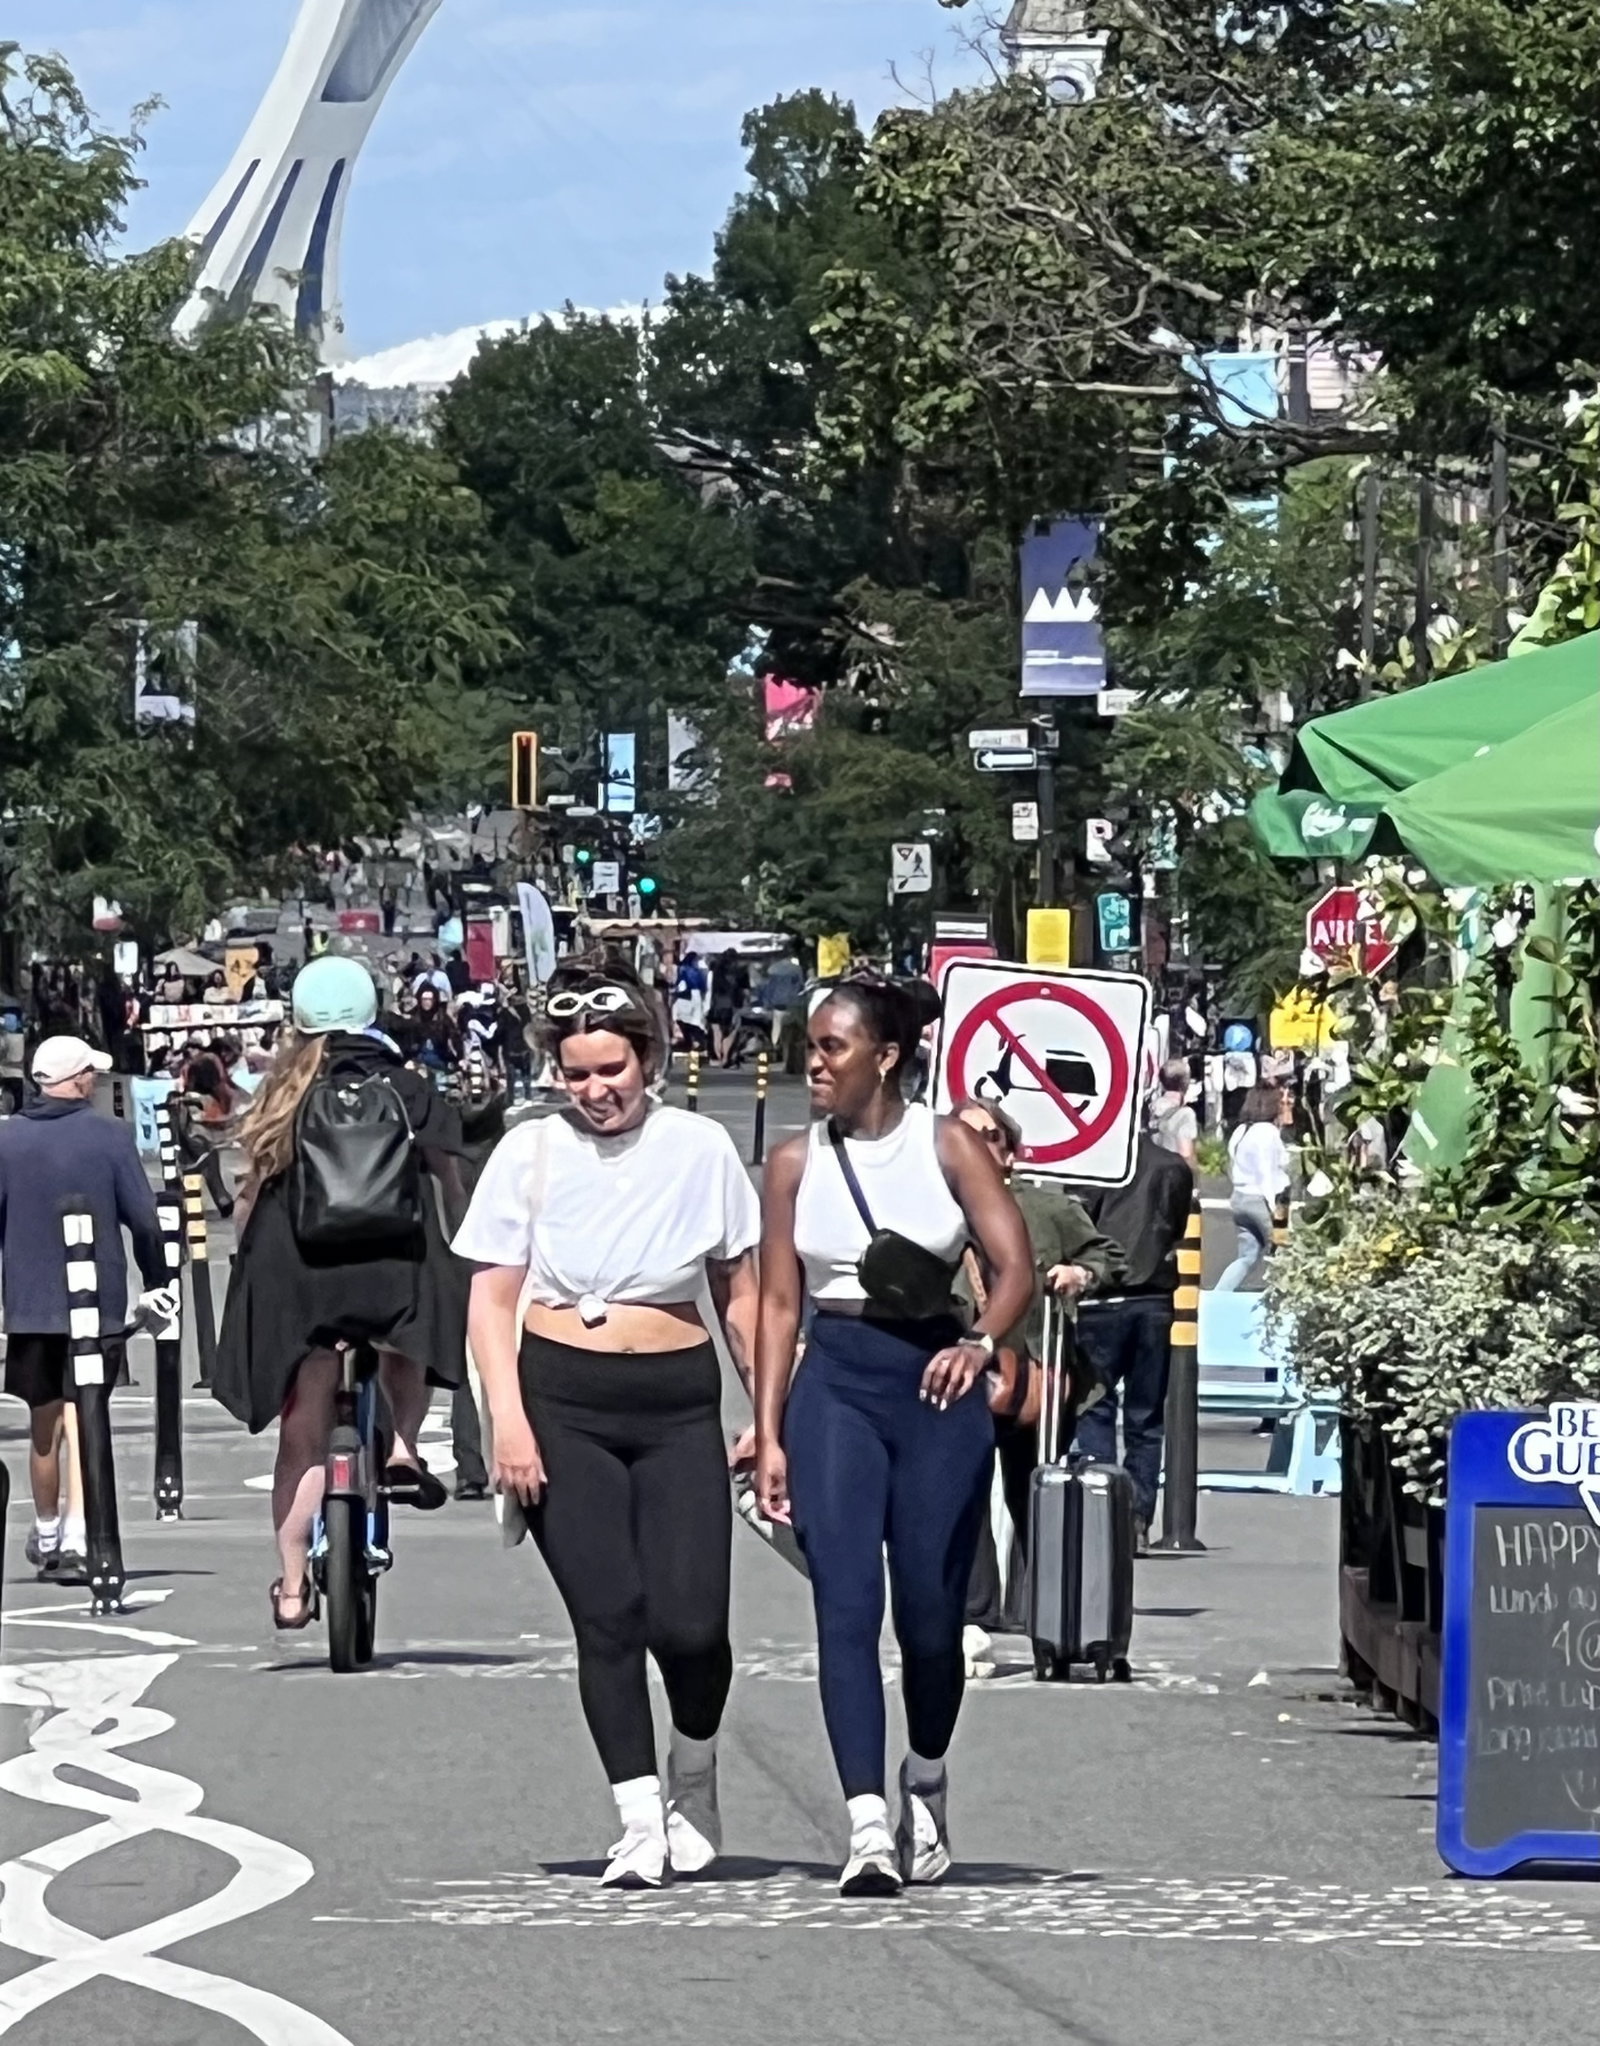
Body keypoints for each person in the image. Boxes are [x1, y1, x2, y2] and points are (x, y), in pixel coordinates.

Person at [456, 961, 760, 1890]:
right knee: (610, 1616)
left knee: (693, 1624)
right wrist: (507, 1421)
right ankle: (637, 1817)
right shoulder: (529, 1152)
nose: (595, 1090)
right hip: (560, 1396)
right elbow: (489, 1296)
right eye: (577, 1073)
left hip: (674, 1399)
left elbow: (738, 1293)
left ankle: (694, 1771)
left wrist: (772, 1417)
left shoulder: (700, 1148)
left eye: (611, 1070)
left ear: (651, 1060)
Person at [754, 980, 1034, 1896]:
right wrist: (767, 1430)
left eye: (834, 1047)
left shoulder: (947, 1144)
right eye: (811, 1047)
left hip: (934, 1385)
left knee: (929, 1619)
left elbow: (1013, 1268)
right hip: (835, 1380)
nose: (816, 1063)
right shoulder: (794, 1163)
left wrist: (979, 1341)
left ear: (885, 1056)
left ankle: (926, 1774)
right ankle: (866, 1826)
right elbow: (780, 1305)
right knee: (843, 1604)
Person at [213, 956, 470, 1630]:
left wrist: (250, 1256)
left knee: (301, 1435)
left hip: (300, 1275)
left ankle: (293, 1588)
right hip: (392, 1266)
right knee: (407, 1332)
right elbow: (449, 1177)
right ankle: (404, 1446)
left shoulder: (281, 1091)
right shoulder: (408, 1087)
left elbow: (248, 1195)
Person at [951, 1099, 1124, 1653]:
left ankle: (1038, 1608)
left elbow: (1109, 1256)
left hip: (1035, 1371)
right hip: (959, 1376)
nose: (980, 1147)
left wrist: (1080, 1272)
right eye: (966, 1137)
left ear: (1011, 1152)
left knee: (1034, 1489)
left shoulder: (1045, 1207)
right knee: (963, 1491)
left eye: (992, 1138)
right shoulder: (936, 1208)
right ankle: (976, 1607)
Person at [0, 1036, 172, 1576]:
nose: (95, 1082)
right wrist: (159, 1278)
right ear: (75, 1082)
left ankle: (47, 1526)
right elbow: (144, 1221)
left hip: (28, 1304)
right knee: (85, 1413)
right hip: (96, 1304)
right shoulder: (111, 1138)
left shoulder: (7, 1142)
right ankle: (79, 1531)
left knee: (43, 1420)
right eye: (90, 1075)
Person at [1071, 1135, 1196, 1547]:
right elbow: (1175, 1226)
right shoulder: (1171, 1167)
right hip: (1154, 1299)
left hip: (1100, 1299)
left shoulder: (1096, 1166)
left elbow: (1079, 1226)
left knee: (1096, 1407)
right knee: (1146, 1416)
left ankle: (1100, 1508)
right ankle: (1137, 1517)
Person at [1216, 1085, 1291, 1292]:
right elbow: (1268, 1172)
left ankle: (1219, 1294)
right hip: (1269, 1199)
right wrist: (1274, 1208)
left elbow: (1231, 1164)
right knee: (1284, 1251)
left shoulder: (1241, 1130)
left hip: (1240, 1197)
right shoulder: (1268, 1132)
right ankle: (1285, 1297)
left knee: (1247, 1256)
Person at [1151, 1057, 1199, 1166]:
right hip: (1173, 1175)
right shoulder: (1185, 1115)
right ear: (1185, 1084)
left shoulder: (1151, 1109)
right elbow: (1185, 1153)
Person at [708, 949, 748, 1066]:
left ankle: (718, 1057)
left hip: (716, 1005)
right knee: (731, 1032)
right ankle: (725, 1057)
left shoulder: (716, 971)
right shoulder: (740, 972)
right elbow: (745, 991)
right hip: (732, 1005)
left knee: (717, 1032)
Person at [671, 949, 709, 1054]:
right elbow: (702, 984)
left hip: (685, 996)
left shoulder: (682, 968)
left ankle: (690, 1042)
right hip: (694, 996)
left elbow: (679, 982)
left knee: (684, 1021)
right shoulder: (697, 970)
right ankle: (697, 1041)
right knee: (693, 1021)